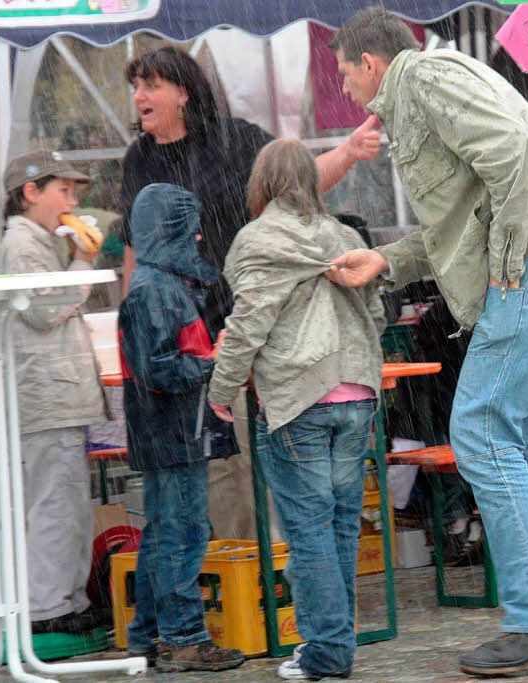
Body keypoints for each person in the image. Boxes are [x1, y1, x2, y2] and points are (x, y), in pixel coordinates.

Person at [326, 8, 528, 676]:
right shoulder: (427, 88)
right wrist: (387, 261)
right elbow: (464, 217)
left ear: (371, 64)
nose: (344, 89)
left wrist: (509, 265)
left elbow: (511, 156)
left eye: (345, 74)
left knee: (482, 430)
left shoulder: (423, 77)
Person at [119, 45, 381, 542]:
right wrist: (131, 320)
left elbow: (299, 183)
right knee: (221, 462)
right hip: (185, 334)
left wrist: (345, 153)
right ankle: (242, 567)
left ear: (183, 92)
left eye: (151, 85)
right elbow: (135, 248)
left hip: (250, 318)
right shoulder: (140, 159)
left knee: (271, 450)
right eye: (136, 87)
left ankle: (279, 567)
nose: (139, 96)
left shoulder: (234, 140)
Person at [207, 138, 386, 680]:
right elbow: (376, 312)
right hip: (357, 394)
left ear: (260, 184)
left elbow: (249, 322)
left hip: (297, 400)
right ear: (311, 180)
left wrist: (222, 388)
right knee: (336, 530)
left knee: (308, 534)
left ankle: (327, 653)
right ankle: (334, 645)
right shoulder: (345, 235)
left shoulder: (257, 239)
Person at [117, 183, 242, 672]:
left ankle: (148, 635)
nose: (197, 239)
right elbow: (161, 371)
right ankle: (183, 638)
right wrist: (215, 361)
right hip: (171, 433)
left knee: (165, 532)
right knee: (183, 534)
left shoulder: (158, 285)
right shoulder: (155, 291)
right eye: (189, 229)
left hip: (169, 433)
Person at [0, 150, 110, 635]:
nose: (73, 200)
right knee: (54, 503)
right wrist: (84, 261)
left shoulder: (37, 241)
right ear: (30, 192)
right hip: (47, 397)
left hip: (55, 396)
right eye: (63, 190)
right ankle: (49, 608)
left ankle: (67, 600)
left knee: (65, 501)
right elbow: (43, 310)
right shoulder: (22, 244)